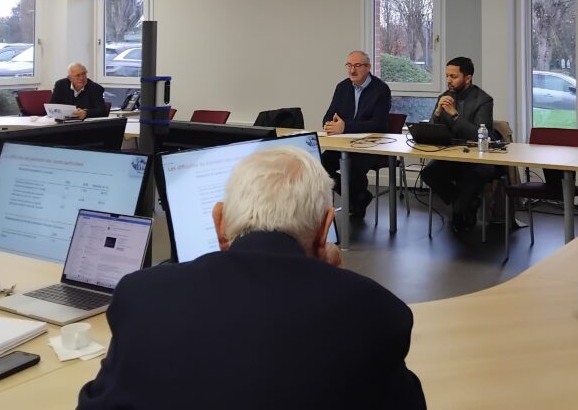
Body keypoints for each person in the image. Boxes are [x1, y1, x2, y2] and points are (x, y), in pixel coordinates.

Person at [77, 146, 426, 410]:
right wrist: (341, 285)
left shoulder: (142, 296)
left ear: (220, 223)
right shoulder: (377, 312)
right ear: (325, 230)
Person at [420, 57, 495, 233]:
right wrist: (437, 113)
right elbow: (431, 131)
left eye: (453, 76)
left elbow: (481, 135)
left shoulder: (483, 100)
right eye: (447, 76)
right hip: (452, 156)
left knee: (470, 177)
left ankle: (460, 211)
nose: (448, 80)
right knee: (429, 173)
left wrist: (455, 116)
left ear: (467, 78)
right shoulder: (444, 97)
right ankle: (463, 204)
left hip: (478, 160)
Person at [319, 50, 391, 219]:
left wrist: (345, 127)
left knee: (353, 168)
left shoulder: (381, 89)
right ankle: (359, 197)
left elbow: (379, 124)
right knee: (320, 167)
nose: (352, 70)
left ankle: (356, 198)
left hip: (370, 145)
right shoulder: (342, 87)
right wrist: (330, 124)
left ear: (368, 67)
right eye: (349, 65)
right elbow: (329, 115)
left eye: (358, 66)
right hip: (343, 144)